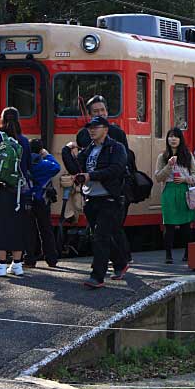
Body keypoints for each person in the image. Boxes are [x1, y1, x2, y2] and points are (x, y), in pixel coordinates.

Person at [71, 116, 129, 288]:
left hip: (109, 198)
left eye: (96, 127)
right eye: (90, 127)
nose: (91, 130)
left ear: (105, 129)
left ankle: (97, 277)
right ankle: (120, 263)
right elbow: (76, 167)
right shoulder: (89, 149)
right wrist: (67, 152)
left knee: (101, 237)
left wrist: (91, 176)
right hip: (91, 198)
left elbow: (116, 169)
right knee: (100, 236)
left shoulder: (116, 148)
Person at [77, 95, 133, 261]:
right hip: (93, 191)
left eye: (102, 110)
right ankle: (120, 261)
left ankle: (116, 262)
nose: (100, 113)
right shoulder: (83, 134)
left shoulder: (117, 133)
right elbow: (81, 162)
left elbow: (125, 161)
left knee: (112, 228)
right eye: (95, 111)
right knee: (107, 229)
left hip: (115, 189)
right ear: (89, 115)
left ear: (107, 112)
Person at [0, 107, 31, 278]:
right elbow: (27, 167)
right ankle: (17, 265)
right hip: (18, 191)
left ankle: (1, 265)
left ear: (2, 120)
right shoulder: (24, 141)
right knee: (17, 227)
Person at [155, 128, 195, 263]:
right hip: (169, 191)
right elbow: (158, 177)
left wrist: (185, 179)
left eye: (176, 137)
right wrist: (169, 165)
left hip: (184, 191)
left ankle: (187, 253)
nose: (173, 139)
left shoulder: (187, 155)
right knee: (169, 225)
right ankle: (168, 255)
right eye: (170, 137)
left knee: (186, 225)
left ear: (180, 139)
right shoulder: (162, 157)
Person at [24, 139, 61, 268]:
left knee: (29, 230)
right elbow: (57, 167)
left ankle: (30, 259)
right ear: (40, 150)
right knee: (46, 229)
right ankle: (51, 259)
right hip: (42, 200)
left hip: (27, 200)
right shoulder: (45, 164)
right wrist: (48, 155)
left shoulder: (24, 163)